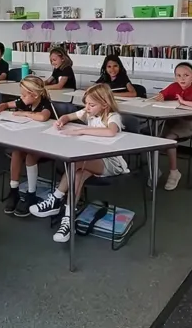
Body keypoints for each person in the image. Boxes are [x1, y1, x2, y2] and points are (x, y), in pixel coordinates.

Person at [30, 84, 129, 243]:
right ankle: (68, 219)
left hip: (111, 162)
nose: (87, 108)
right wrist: (61, 121)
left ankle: (56, 198)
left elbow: (111, 132)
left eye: (91, 104)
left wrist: (81, 131)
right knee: (77, 175)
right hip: (91, 159)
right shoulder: (89, 112)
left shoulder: (112, 116)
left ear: (105, 104)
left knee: (76, 162)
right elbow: (68, 117)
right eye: (86, 104)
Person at [0, 76, 55, 217]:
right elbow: (7, 105)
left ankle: (31, 194)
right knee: (16, 151)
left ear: (35, 95)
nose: (21, 97)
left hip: (44, 143)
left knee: (30, 155)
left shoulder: (45, 103)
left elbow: (43, 117)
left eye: (24, 95)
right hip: (27, 139)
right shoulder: (25, 101)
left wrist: (23, 113)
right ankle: (14, 190)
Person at [155, 62, 192, 191]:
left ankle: (174, 172)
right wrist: (160, 97)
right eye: (178, 75)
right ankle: (155, 170)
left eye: (186, 75)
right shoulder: (173, 86)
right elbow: (161, 96)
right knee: (153, 136)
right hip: (170, 121)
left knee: (169, 139)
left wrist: (184, 102)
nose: (182, 78)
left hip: (188, 124)